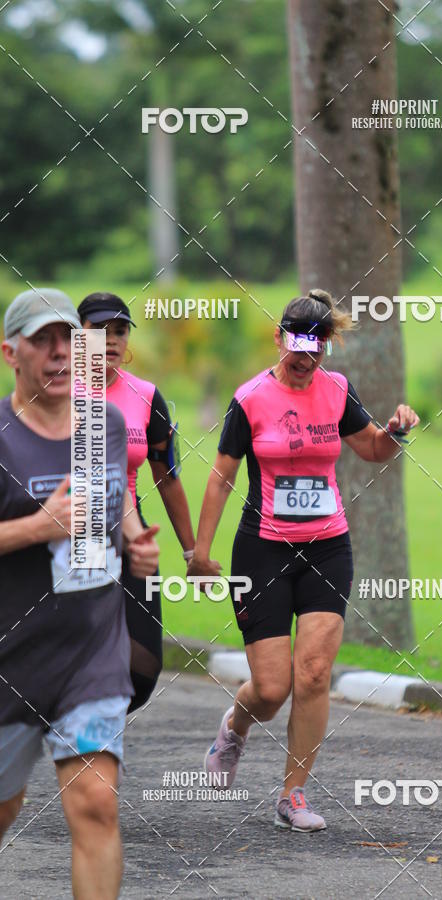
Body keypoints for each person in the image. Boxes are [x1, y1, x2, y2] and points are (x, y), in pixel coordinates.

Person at [188, 288, 419, 832]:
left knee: (313, 674)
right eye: (297, 343)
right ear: (279, 338)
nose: (306, 355)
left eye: (317, 345)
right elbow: (221, 478)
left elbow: (373, 449)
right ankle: (235, 728)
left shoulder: (336, 390)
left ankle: (293, 795)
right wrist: (200, 553)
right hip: (263, 550)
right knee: (272, 689)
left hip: (327, 547)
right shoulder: (250, 398)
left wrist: (397, 432)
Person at [0, 287, 160, 898]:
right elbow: (54, 524)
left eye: (70, 338)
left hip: (91, 652)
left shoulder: (106, 424)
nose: (61, 353)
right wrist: (38, 528)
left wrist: (135, 542)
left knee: (96, 801)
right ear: (11, 353)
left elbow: (112, 498)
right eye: (43, 340)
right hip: (11, 661)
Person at [78, 292, 195, 712]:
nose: (111, 340)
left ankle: (89, 723)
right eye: (99, 331)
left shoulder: (146, 396)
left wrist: (191, 551)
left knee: (143, 667)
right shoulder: (57, 391)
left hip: (130, 529)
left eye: (120, 331)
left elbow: (167, 478)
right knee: (75, 651)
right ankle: (77, 735)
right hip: (67, 529)